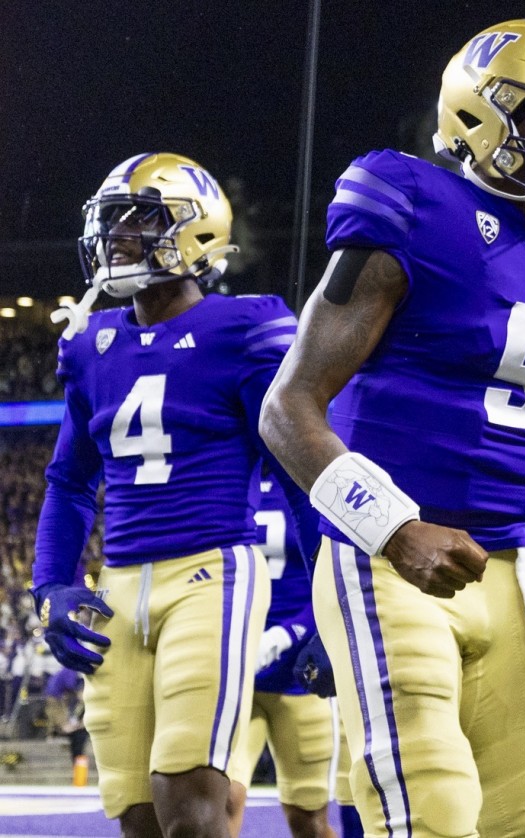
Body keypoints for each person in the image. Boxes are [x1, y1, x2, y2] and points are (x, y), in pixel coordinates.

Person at [259, 19, 525, 838]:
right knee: (432, 811)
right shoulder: (410, 203)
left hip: (515, 569)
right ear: (479, 112)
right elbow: (288, 408)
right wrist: (394, 529)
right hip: (388, 563)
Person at [31, 153, 315, 838]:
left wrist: (327, 610)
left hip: (212, 571)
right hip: (120, 584)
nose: (120, 236)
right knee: (135, 813)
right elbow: (70, 480)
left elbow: (303, 473)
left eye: (143, 219)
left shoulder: (244, 329)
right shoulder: (92, 343)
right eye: (113, 222)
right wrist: (51, 585)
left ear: (199, 234)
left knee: (186, 795)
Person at [227, 466, 334, 838]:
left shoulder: (311, 472)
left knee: (308, 823)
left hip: (302, 674)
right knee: (223, 799)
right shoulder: (228, 470)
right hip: (238, 670)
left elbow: (332, 577)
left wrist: (289, 634)